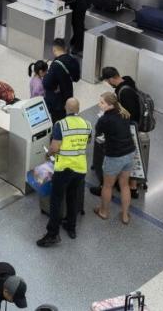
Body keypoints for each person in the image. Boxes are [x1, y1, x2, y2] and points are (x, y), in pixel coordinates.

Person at [37, 97, 90, 247]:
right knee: (72, 197)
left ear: (66, 109)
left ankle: (52, 234)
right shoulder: (87, 124)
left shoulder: (60, 125)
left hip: (64, 168)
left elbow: (54, 148)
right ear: (78, 109)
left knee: (56, 200)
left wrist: (48, 155)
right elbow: (87, 141)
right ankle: (71, 227)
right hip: (80, 168)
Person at [91, 90, 135, 224]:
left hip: (115, 156)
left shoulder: (104, 119)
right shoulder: (124, 113)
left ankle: (104, 212)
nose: (99, 105)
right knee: (124, 185)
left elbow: (99, 135)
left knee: (107, 186)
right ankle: (125, 215)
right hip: (129, 153)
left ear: (110, 105)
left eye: (102, 103)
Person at [41, 38, 80, 123]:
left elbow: (46, 83)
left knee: (58, 123)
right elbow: (76, 78)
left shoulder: (56, 65)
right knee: (67, 119)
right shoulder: (74, 60)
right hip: (68, 96)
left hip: (57, 102)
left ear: (54, 49)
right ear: (65, 48)